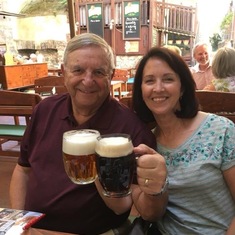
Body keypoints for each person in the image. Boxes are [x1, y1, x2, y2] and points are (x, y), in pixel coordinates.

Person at [9, 33, 168, 235]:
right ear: (63, 72)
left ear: (110, 76)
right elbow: (23, 170)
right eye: (78, 70)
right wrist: (19, 222)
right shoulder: (44, 110)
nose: (88, 80)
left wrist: (157, 188)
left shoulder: (131, 130)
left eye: (99, 72)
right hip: (32, 228)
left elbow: (136, 208)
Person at [132, 47, 235, 234]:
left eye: (168, 79)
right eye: (149, 81)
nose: (158, 88)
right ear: (141, 90)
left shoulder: (220, 130)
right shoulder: (146, 144)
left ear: (182, 88)